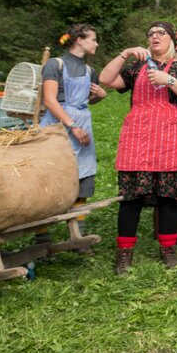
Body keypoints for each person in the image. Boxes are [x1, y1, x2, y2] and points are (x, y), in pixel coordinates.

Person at [99, 22, 177, 274]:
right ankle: (124, 254)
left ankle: (168, 249)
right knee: (131, 198)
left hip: (170, 137)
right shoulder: (137, 68)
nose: (154, 37)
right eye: (150, 34)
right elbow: (105, 79)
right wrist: (124, 54)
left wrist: (170, 80)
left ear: (173, 40)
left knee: (168, 198)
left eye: (161, 33)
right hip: (139, 137)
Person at [37, 23, 107, 249]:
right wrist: (73, 126)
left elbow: (86, 100)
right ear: (80, 40)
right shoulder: (55, 64)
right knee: (48, 181)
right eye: (93, 39)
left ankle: (78, 236)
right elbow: (49, 100)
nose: (96, 44)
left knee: (82, 178)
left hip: (82, 126)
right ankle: (42, 237)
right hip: (58, 128)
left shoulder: (89, 71)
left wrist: (101, 96)